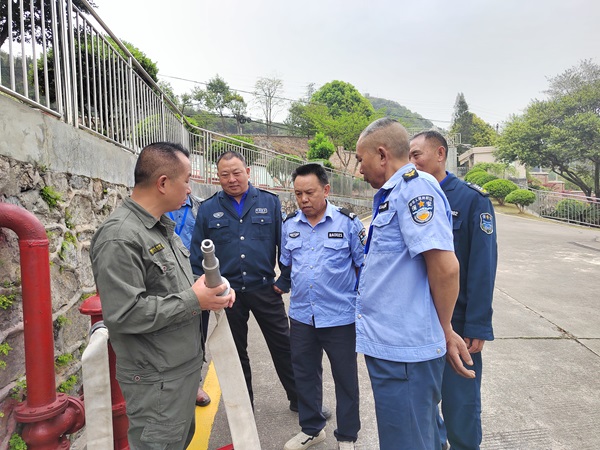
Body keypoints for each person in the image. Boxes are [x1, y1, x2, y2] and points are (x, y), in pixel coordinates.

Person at [90, 142, 235, 449]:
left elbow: (173, 285)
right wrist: (195, 300)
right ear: (163, 183)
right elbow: (123, 314)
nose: (189, 189)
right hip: (157, 382)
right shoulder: (120, 237)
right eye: (186, 180)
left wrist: (210, 289)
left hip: (178, 373)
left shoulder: (160, 228)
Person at [354, 118, 475, 450]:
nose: (358, 169)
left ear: (382, 155)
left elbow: (445, 269)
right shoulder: (394, 193)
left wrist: (445, 328)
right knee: (422, 435)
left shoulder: (414, 188)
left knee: (406, 440)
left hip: (404, 352)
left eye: (360, 159)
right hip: (395, 348)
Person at [189, 150, 298, 411]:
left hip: (265, 288)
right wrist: (208, 291)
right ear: (217, 177)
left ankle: (301, 400)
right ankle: (244, 408)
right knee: (236, 353)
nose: (232, 179)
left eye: (237, 173)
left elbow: (284, 245)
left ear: (248, 172)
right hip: (228, 294)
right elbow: (197, 256)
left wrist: (284, 280)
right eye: (225, 174)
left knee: (284, 347)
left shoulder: (269, 202)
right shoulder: (208, 209)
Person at [409, 130, 497, 450]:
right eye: (408, 156)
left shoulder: (471, 200)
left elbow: (483, 267)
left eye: (417, 154)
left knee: (461, 405)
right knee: (422, 405)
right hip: (418, 322)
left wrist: (477, 325)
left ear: (440, 154)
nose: (412, 162)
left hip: (457, 323)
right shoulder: (410, 198)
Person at [281, 164, 365, 450]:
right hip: (302, 315)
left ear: (326, 190)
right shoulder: (290, 225)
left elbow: (362, 267)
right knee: (304, 374)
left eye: (310, 192)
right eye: (298, 194)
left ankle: (347, 436)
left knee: (345, 378)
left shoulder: (348, 223)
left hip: (340, 317)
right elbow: (287, 264)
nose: (303, 199)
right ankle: (312, 429)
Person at [167, 194, 212, 407]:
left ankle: (194, 385)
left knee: (197, 335)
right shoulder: (155, 206)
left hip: (194, 280)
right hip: (164, 277)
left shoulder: (200, 207)